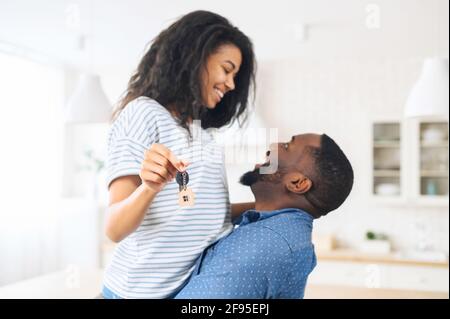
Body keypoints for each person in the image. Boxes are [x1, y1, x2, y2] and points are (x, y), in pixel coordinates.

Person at [101, 10, 256, 299]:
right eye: (226, 68)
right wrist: (149, 188)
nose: (232, 84)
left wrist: (276, 205)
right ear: (195, 56)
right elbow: (114, 228)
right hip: (136, 293)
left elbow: (207, 215)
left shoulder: (201, 133)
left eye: (235, 75)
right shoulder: (144, 113)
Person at [174, 133, 354, 299]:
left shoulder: (260, 246)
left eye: (285, 146)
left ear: (297, 183)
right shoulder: (285, 228)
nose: (272, 146)